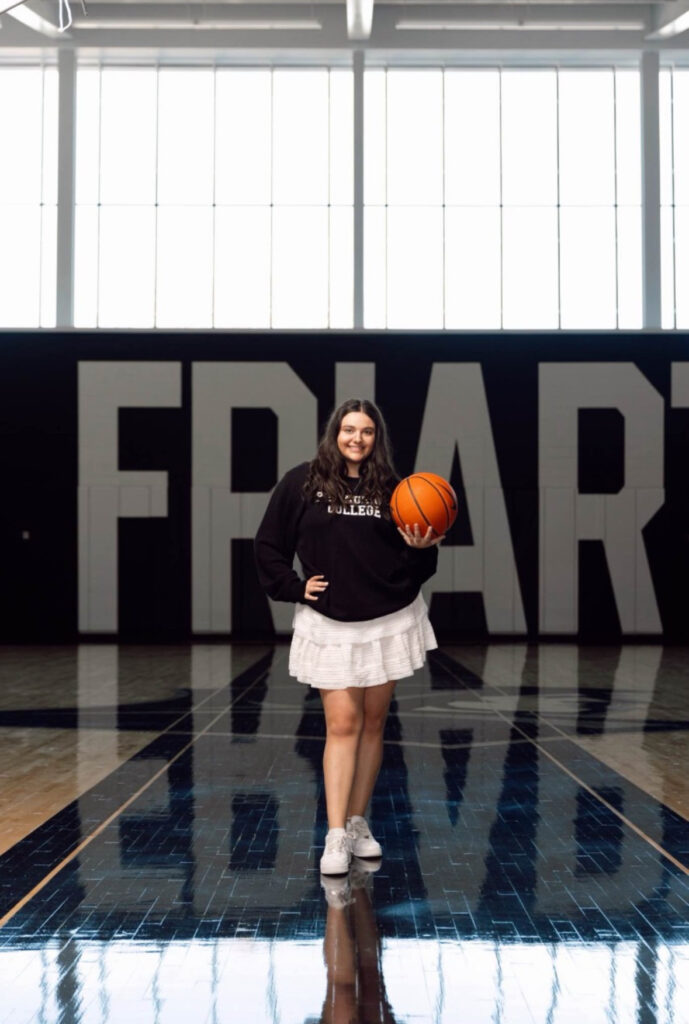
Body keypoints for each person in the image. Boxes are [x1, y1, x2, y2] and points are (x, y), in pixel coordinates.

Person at [254, 398, 442, 876]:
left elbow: (416, 565)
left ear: (377, 439)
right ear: (334, 433)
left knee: (374, 725)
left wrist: (423, 550)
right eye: (348, 429)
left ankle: (358, 824)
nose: (356, 438)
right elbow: (268, 545)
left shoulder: (396, 490)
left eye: (367, 432)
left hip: (388, 617)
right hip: (331, 621)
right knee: (342, 724)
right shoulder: (303, 482)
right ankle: (335, 834)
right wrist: (294, 588)